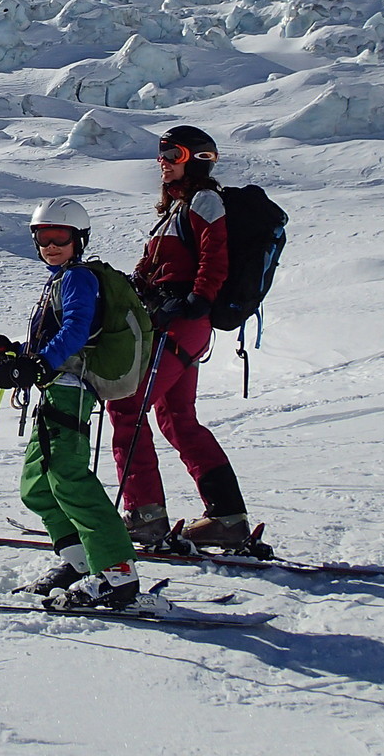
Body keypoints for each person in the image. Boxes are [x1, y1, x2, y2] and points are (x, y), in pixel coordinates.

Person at [0, 199, 140, 608]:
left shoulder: (79, 279)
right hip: (54, 386)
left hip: (72, 387)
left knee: (68, 478)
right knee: (36, 485)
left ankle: (118, 576)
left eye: (59, 238)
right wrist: (11, 353)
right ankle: (81, 560)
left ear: (78, 240)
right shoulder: (59, 279)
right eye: (42, 238)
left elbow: (74, 330)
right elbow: (47, 345)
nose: (50, 246)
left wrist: (37, 365)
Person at [109, 125, 253, 548]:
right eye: (161, 155)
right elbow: (150, 267)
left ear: (195, 159)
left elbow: (215, 252)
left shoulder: (205, 200)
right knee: (177, 419)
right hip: (176, 320)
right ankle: (227, 519)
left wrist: (199, 299)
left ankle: (144, 515)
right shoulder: (174, 210)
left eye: (172, 155)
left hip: (182, 321)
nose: (163, 163)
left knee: (126, 406)